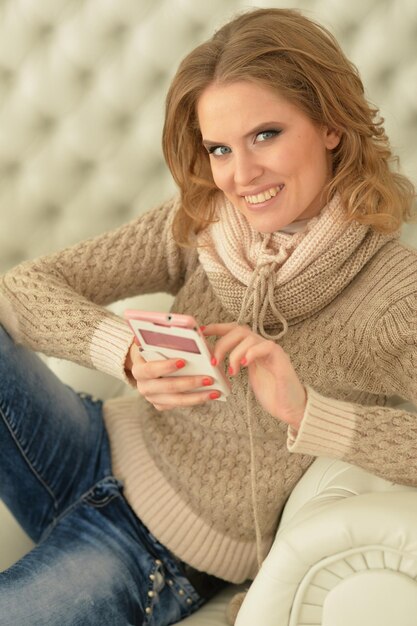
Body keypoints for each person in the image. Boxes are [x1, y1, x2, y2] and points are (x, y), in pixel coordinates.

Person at [0, 6, 415, 626]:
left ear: (331, 125)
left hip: (155, 552)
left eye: (266, 135)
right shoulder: (202, 221)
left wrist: (309, 413)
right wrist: (126, 354)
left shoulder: (395, 294)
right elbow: (23, 288)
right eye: (220, 147)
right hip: (87, 447)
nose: (241, 176)